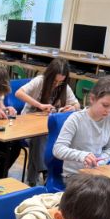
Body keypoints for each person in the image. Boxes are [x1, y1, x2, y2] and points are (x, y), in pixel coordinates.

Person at [15, 58, 80, 186]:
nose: (57, 84)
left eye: (61, 82)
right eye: (55, 81)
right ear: (49, 76)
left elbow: (77, 104)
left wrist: (73, 107)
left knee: (47, 137)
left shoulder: (63, 87)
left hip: (46, 126)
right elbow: (18, 93)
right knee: (39, 137)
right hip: (28, 125)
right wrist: (39, 105)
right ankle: (46, 172)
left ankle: (32, 180)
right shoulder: (40, 81)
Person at [52, 75, 110, 178]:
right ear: (92, 99)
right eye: (105, 105)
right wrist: (83, 156)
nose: (109, 110)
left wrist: (101, 161)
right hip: (75, 175)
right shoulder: (76, 119)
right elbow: (58, 149)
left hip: (97, 172)